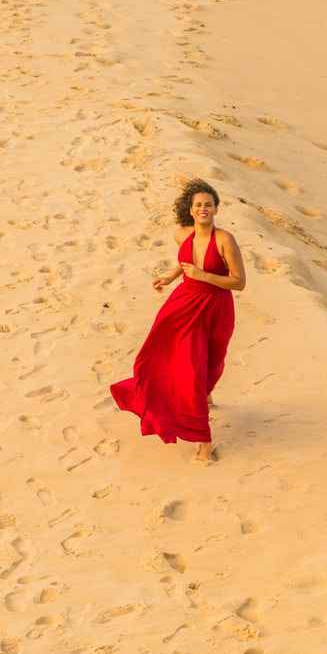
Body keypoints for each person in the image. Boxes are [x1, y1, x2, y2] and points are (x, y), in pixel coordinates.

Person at [111, 179, 246, 462]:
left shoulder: (224, 240)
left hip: (216, 306)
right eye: (198, 205)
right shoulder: (181, 235)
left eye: (209, 204)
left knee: (213, 361)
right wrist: (171, 277)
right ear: (191, 209)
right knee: (187, 369)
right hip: (183, 306)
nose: (203, 209)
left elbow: (239, 282)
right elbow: (184, 263)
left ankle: (206, 392)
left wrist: (204, 276)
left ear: (216, 209)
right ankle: (203, 440)